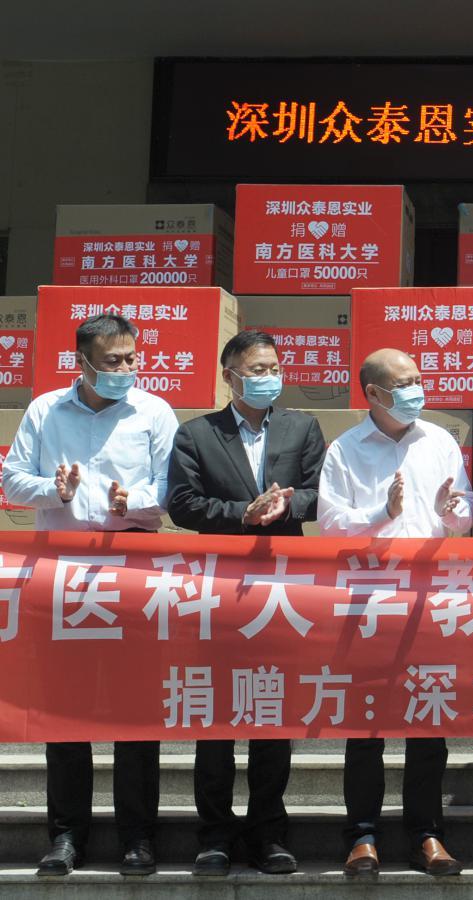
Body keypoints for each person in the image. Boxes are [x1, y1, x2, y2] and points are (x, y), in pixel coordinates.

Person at [2, 313, 179, 877]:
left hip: (134, 567)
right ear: (81, 363)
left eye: (131, 358)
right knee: (65, 709)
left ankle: (138, 837)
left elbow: (174, 485)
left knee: (137, 709)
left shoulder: (153, 411)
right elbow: (11, 480)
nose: (125, 369)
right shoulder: (45, 410)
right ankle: (65, 836)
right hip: (63, 570)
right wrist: (52, 490)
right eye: (112, 361)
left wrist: (137, 501)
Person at [166, 330, 326, 877]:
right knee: (215, 716)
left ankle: (268, 833)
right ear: (228, 375)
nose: (268, 377)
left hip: (281, 590)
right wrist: (242, 514)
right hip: (218, 590)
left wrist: (285, 506)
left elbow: (320, 492)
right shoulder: (196, 433)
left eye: (274, 367)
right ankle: (214, 834)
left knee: (271, 712)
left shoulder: (301, 426)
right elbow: (182, 504)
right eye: (256, 369)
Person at [317, 348, 473, 878]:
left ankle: (426, 834)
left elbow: (465, 511)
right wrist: (381, 512)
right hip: (367, 601)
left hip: (428, 599)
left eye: (418, 379)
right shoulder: (345, 449)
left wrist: (454, 512)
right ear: (374, 393)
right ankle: (362, 836)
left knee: (428, 721)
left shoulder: (440, 441)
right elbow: (329, 523)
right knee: (365, 726)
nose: (416, 390)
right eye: (403, 383)